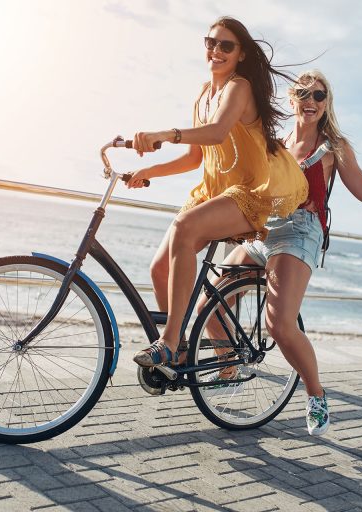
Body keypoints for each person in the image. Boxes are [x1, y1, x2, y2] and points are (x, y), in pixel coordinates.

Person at [204, 69, 362, 436]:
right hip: (266, 230)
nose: (312, 101)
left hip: (301, 232)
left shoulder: (333, 147)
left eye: (320, 96)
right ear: (293, 100)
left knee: (278, 323)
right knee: (211, 299)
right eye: (304, 93)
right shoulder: (277, 143)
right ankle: (230, 366)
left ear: (326, 104)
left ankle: (316, 395)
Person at [124, 16, 309, 368]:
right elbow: (195, 157)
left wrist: (163, 133)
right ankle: (211, 355)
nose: (216, 50)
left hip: (249, 192)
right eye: (210, 42)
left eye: (226, 45)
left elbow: (217, 133)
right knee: (159, 269)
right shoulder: (203, 95)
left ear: (240, 54)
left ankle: (169, 340)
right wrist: (148, 171)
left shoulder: (239, 87)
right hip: (213, 192)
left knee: (183, 228)